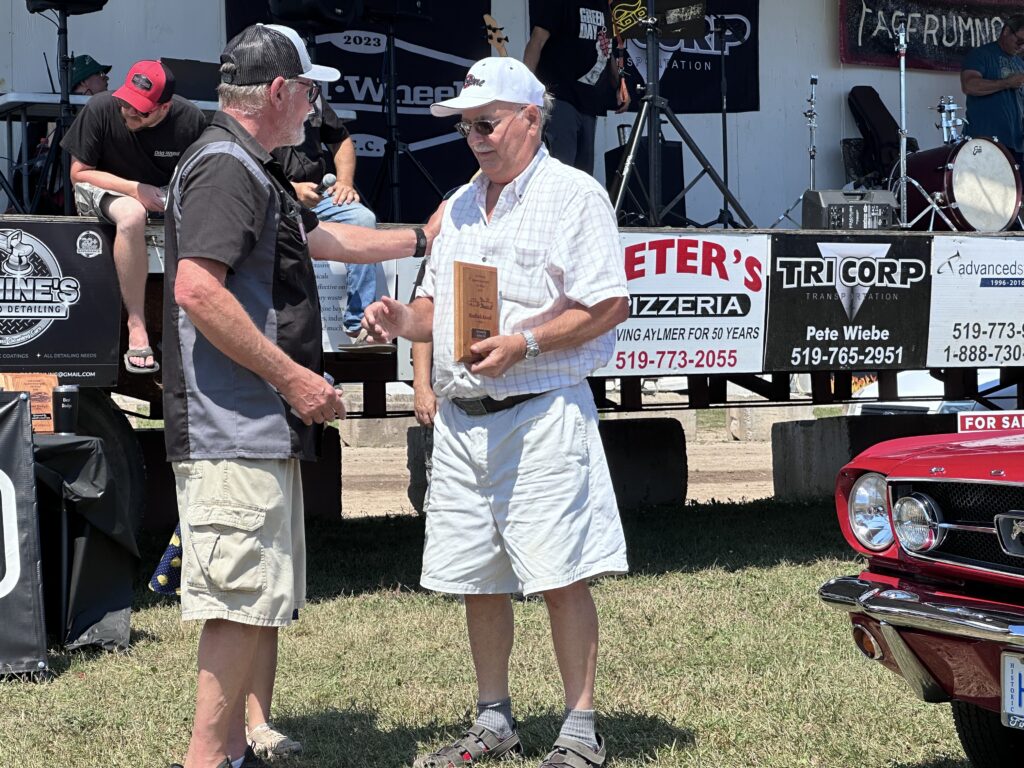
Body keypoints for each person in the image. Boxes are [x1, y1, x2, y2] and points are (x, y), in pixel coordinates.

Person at [162, 22, 435, 768]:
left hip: (253, 426)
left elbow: (323, 239)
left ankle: (232, 754)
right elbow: (196, 290)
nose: (316, 106)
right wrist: (292, 377)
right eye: (310, 91)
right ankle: (207, 759)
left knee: (255, 599)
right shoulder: (226, 168)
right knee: (235, 605)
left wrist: (421, 239)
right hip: (232, 425)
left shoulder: (253, 168)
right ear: (280, 91)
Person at [362, 56, 630, 768]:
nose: (475, 138)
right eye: (466, 127)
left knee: (560, 573)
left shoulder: (574, 196)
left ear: (530, 120)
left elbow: (609, 304)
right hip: (462, 420)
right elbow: (433, 308)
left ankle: (581, 730)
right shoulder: (457, 205)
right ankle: (494, 721)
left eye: (486, 124)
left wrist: (526, 343)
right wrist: (400, 319)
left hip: (542, 412)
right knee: (476, 577)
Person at [61, 59, 206, 374]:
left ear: (165, 107)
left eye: (141, 111)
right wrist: (135, 189)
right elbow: (79, 174)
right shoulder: (100, 108)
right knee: (131, 214)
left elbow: (200, 176)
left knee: (208, 209)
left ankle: (201, 325)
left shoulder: (190, 119)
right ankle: (136, 324)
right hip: (105, 186)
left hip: (162, 191)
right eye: (126, 103)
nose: (129, 112)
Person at [273, 93, 387, 350]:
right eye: (307, 83)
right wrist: (291, 189)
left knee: (363, 218)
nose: (312, 89)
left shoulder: (313, 97)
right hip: (273, 194)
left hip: (318, 195)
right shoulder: (262, 98)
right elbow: (249, 160)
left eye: (313, 85)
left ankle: (359, 323)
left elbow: (341, 139)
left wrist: (345, 182)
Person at [524, 0, 629, 174]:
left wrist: (619, 84)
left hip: (589, 104)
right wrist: (525, 88)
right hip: (560, 98)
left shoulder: (604, 6)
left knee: (582, 175)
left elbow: (607, 51)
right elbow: (537, 41)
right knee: (560, 173)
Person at [960, 13, 1024, 165]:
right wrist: (1006, 83)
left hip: (1017, 144)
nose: (1022, 47)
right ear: (1006, 31)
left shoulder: (1020, 63)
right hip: (985, 143)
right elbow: (969, 85)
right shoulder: (980, 54)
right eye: (1020, 40)